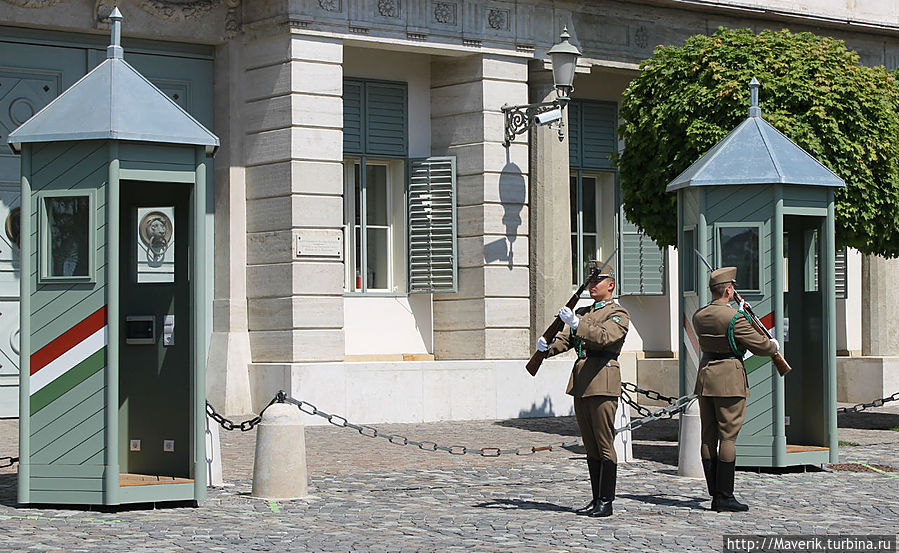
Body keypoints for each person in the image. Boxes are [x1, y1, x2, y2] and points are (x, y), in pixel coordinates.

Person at [536, 267, 629, 517]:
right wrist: (547, 347)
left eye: (598, 280)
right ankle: (595, 497)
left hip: (603, 378)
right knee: (590, 445)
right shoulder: (584, 312)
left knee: (604, 443)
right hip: (582, 380)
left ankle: (606, 501)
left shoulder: (618, 313)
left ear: (611, 284)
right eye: (591, 281)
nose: (593, 285)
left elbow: (605, 337)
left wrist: (577, 323)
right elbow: (566, 341)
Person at [692, 267, 779, 512]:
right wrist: (772, 346)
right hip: (729, 377)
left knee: (708, 435)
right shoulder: (734, 317)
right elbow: (760, 345)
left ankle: (714, 493)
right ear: (729, 290)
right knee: (728, 437)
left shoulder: (700, 315)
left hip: (706, 375)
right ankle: (725, 496)